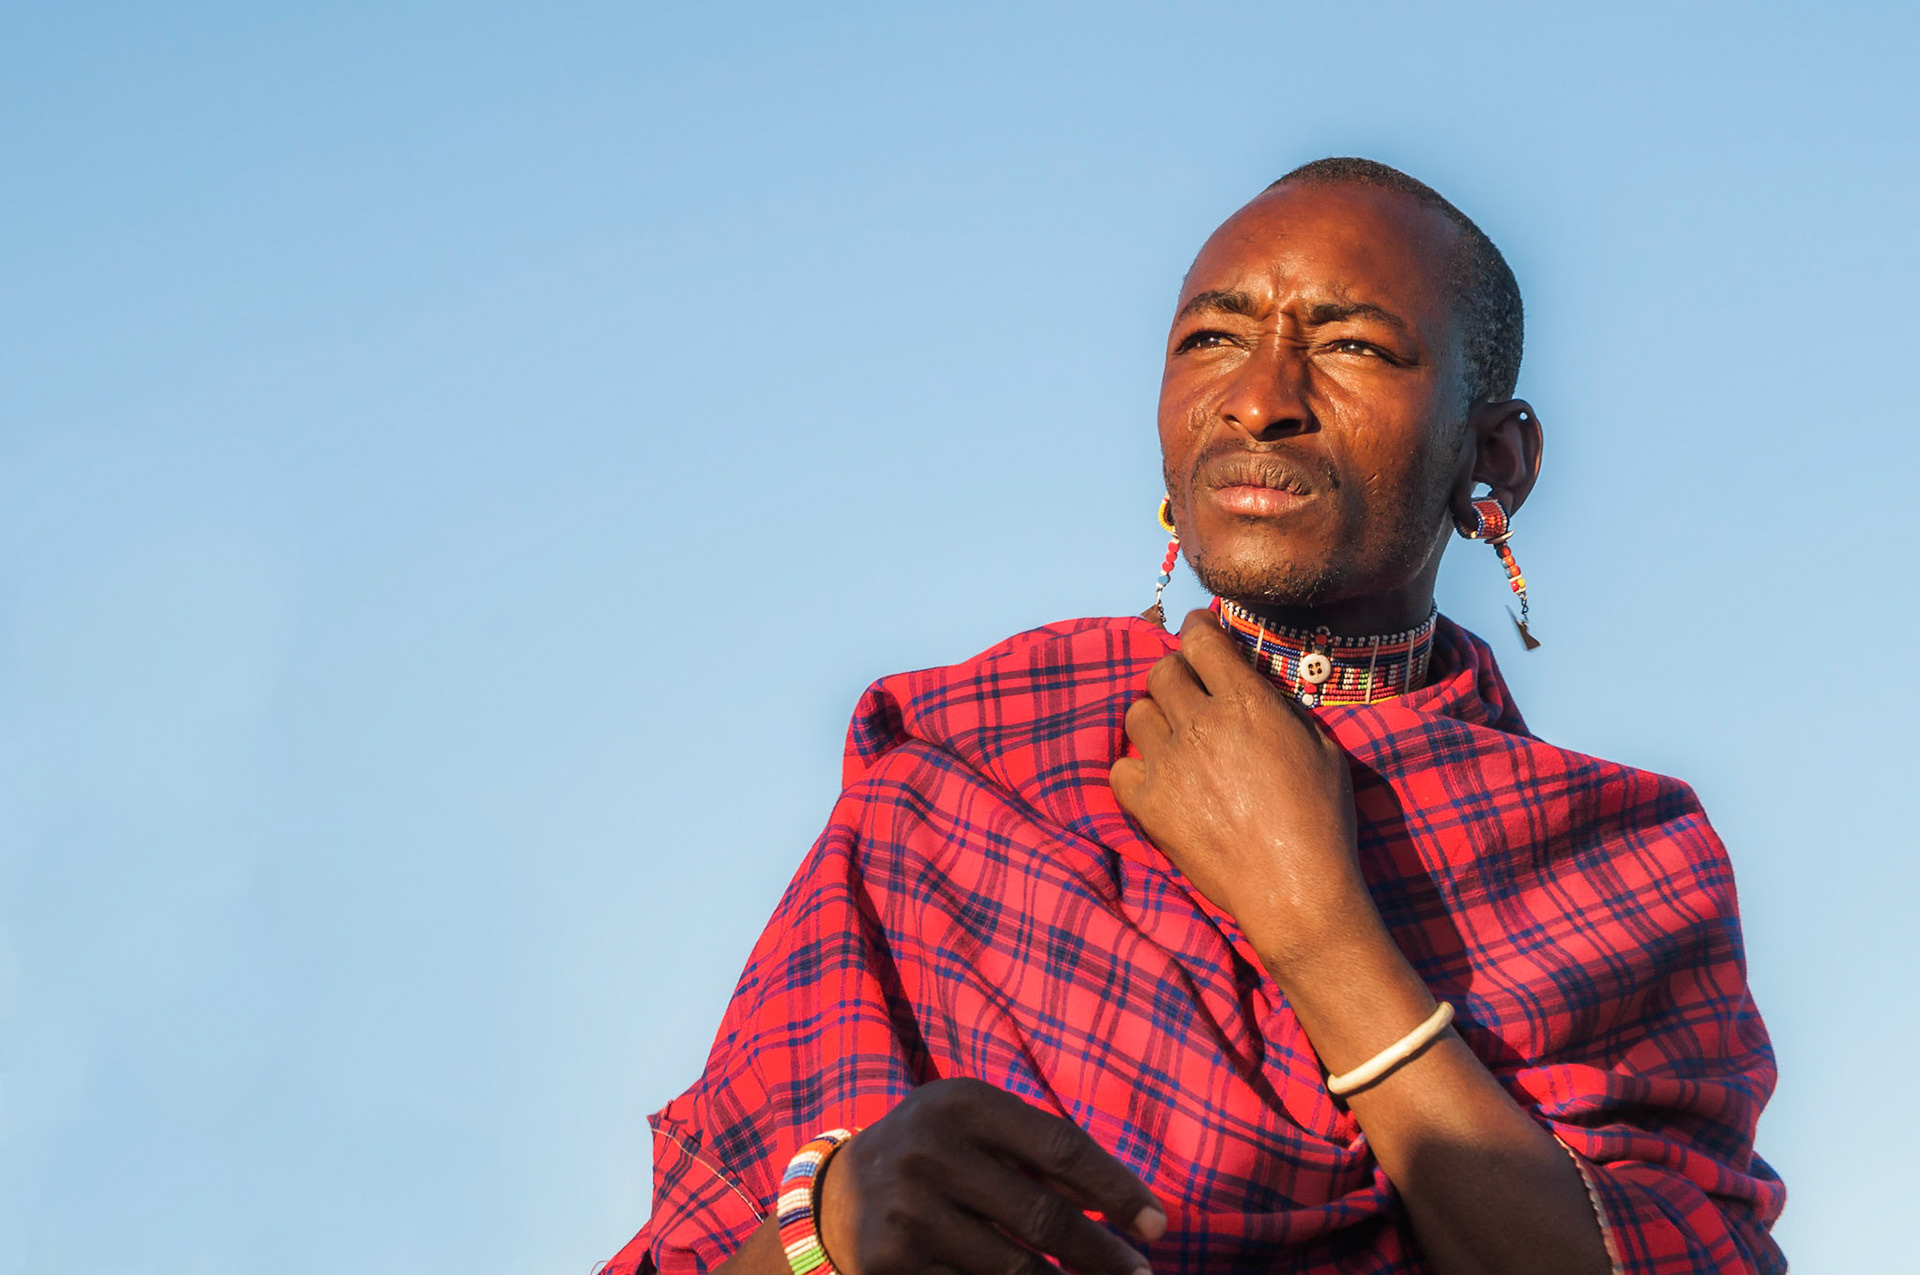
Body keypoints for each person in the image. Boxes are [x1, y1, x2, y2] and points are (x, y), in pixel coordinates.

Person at [602, 158, 1785, 1275]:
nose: (1259, 400)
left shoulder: (1620, 865)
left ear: (1496, 459)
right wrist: (830, 1232)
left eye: (1356, 345)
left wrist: (1317, 926)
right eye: (1211, 339)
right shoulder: (971, 757)